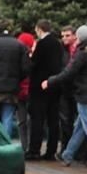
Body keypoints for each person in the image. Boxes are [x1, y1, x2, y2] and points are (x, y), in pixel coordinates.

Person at [43, 25, 87, 168]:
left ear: (79, 37)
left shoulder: (82, 53)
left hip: (85, 94)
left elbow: (69, 73)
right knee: (81, 125)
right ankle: (68, 154)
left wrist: (49, 81)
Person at [27, 19, 66, 160]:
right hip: (54, 85)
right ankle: (51, 151)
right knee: (53, 120)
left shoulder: (42, 44)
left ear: (39, 29)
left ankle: (34, 150)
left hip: (39, 86)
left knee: (37, 119)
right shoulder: (57, 43)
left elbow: (34, 64)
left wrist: (30, 55)